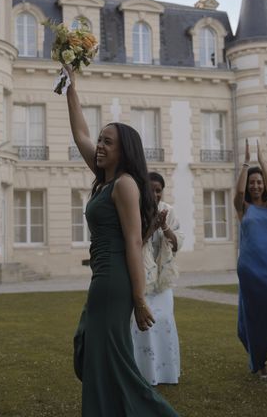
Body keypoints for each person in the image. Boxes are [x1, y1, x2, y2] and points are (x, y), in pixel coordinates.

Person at [64, 65, 179, 416]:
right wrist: (71, 85)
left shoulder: (125, 184)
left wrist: (139, 298)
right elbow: (80, 132)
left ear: (123, 149)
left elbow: (133, 242)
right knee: (93, 351)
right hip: (101, 278)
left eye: (107, 142)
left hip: (115, 281)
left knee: (110, 359)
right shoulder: (104, 178)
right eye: (100, 140)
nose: (99, 146)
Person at [233, 139, 267, 383]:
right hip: (249, 268)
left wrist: (263, 161)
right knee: (255, 314)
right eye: (252, 183)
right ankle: (262, 363)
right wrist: (246, 163)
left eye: (259, 182)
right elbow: (238, 192)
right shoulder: (242, 207)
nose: (255, 186)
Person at [130, 171, 184, 386]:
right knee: (140, 325)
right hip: (141, 277)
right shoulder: (135, 210)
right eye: (151, 190)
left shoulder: (168, 211)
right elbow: (133, 246)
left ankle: (164, 374)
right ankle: (143, 374)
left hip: (163, 279)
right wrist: (151, 226)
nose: (155, 194)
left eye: (158, 190)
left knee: (164, 322)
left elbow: (177, 244)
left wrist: (164, 227)